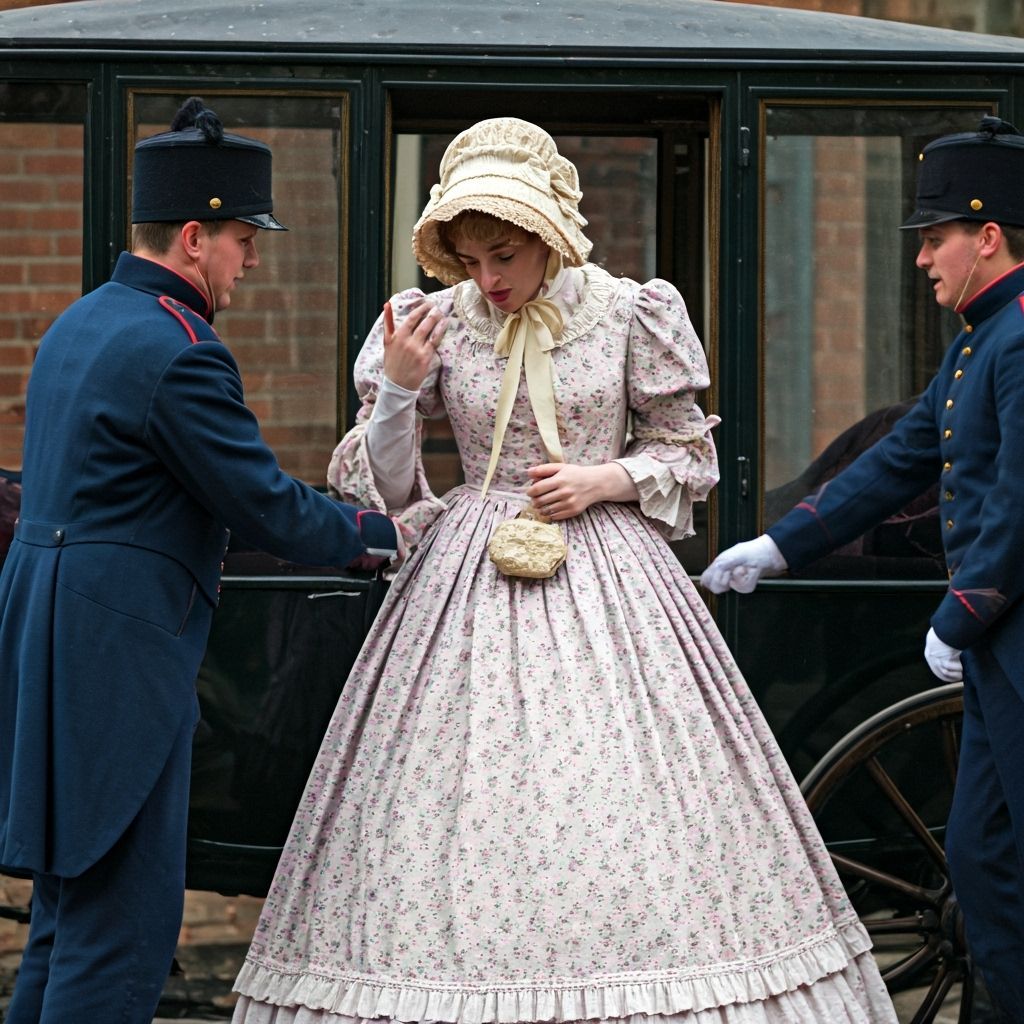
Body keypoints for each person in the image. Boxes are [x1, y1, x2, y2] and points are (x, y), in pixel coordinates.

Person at [231, 117, 896, 1023]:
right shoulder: (431, 321)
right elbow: (386, 486)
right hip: (465, 580)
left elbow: (685, 455)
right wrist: (395, 388)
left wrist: (604, 479)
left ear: (548, 236)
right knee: (455, 798)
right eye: (469, 260)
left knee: (617, 796)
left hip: (608, 571)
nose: (488, 280)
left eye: (503, 254)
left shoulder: (629, 312)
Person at [0, 97, 401, 1024]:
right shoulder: (181, 352)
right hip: (118, 653)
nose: (250, 260)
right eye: (242, 240)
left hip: (49, 639)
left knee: (67, 914)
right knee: (124, 932)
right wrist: (375, 535)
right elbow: (259, 500)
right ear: (193, 237)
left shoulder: (81, 323)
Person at [701, 115, 1024, 1020]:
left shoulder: (1020, 336)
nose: (923, 259)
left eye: (935, 239)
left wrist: (962, 612)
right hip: (1001, 648)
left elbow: (1017, 504)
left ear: (986, 237)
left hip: (1011, 636)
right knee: (982, 855)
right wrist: (780, 545)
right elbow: (894, 462)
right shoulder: (976, 341)